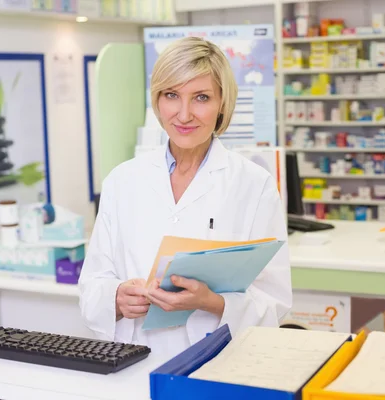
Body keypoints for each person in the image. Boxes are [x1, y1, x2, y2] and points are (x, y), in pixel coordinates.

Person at [78, 36, 292, 357]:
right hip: (132, 360)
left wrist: (211, 302)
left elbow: (275, 300)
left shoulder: (254, 185)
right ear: (157, 100)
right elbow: (93, 282)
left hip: (216, 363)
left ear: (222, 103)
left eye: (201, 97)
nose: (184, 114)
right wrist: (116, 298)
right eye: (172, 95)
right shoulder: (122, 181)